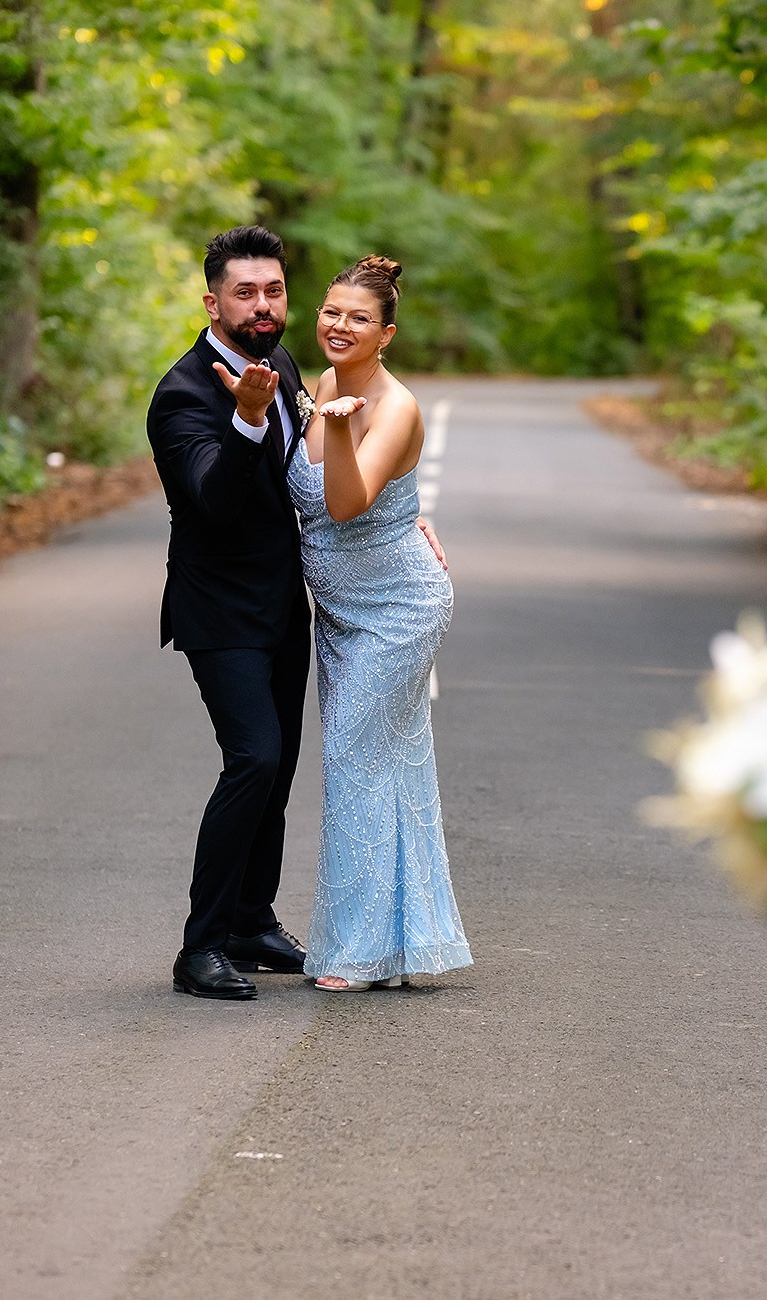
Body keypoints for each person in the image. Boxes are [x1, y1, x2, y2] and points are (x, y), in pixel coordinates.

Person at [288, 255, 472, 991]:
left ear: (386, 333)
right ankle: (405, 942)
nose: (339, 325)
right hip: (339, 611)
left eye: (358, 317)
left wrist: (335, 431)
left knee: (354, 758)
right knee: (387, 763)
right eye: (332, 312)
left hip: (397, 609)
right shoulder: (327, 383)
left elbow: (345, 503)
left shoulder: (393, 407)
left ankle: (360, 951)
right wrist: (416, 512)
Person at [147, 225, 315, 1000]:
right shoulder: (181, 393)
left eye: (273, 290)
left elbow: (309, 467)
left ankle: (251, 916)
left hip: (283, 601)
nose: (262, 306)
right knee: (252, 758)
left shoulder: (279, 359)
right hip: (218, 610)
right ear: (212, 301)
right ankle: (201, 945)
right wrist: (246, 418)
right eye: (244, 293)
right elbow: (211, 502)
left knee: (277, 767)